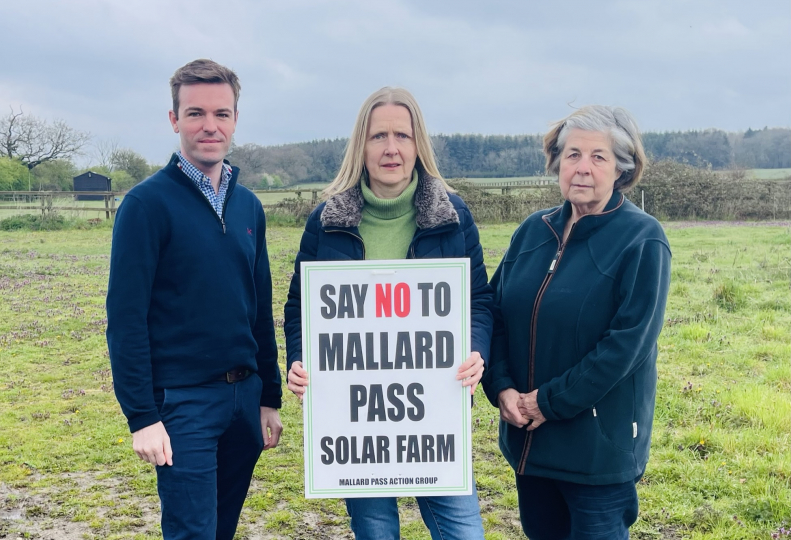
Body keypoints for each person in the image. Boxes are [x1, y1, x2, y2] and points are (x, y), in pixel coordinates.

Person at [284, 87, 493, 540]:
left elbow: (477, 299)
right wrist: (298, 362)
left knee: (463, 529)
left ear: (419, 145)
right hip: (354, 416)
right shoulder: (327, 221)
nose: (391, 149)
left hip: (434, 411)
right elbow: (302, 305)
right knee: (376, 530)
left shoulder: (454, 216)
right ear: (362, 144)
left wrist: (477, 351)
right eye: (379, 136)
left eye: (403, 135)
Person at [105, 59, 283, 540]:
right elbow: (125, 320)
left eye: (222, 114)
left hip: (244, 401)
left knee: (221, 529)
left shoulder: (248, 206)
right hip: (183, 405)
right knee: (192, 532)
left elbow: (258, 307)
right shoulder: (146, 205)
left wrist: (268, 396)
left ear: (235, 120)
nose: (210, 125)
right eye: (196, 113)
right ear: (174, 119)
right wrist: (142, 417)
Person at [482, 105, 671, 540]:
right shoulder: (533, 230)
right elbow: (494, 312)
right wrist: (503, 387)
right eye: (572, 154)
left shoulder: (642, 239)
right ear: (557, 162)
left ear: (622, 168)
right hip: (530, 446)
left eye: (598, 156)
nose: (582, 168)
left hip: (596, 455)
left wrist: (544, 403)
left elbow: (624, 347)